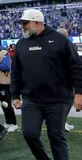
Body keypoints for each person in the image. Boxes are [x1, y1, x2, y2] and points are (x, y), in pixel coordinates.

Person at [11, 9, 82, 160]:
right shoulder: (21, 44)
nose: (22, 27)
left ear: (37, 22)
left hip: (58, 98)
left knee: (56, 136)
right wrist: (15, 95)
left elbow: (76, 67)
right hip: (31, 99)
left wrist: (79, 93)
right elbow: (16, 71)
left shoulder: (60, 40)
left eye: (25, 23)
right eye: (22, 23)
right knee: (29, 134)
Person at [0, 36, 18, 132]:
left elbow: (6, 66)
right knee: (2, 103)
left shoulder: (3, 52)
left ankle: (14, 123)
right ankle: (8, 122)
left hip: (4, 81)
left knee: (7, 103)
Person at [56, 28, 76, 132]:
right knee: (62, 103)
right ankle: (60, 123)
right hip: (60, 81)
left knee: (69, 100)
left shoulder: (66, 46)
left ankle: (63, 121)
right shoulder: (56, 47)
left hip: (68, 79)